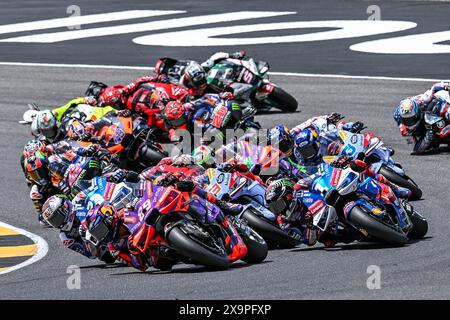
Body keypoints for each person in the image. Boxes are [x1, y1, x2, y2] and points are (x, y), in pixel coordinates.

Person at [41, 195, 115, 262]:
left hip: (109, 220)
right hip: (102, 243)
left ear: (65, 207)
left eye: (57, 217)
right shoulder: (66, 238)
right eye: (53, 221)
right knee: (105, 256)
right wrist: (86, 240)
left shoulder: (80, 202)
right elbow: (91, 254)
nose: (57, 222)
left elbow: (100, 198)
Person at [84, 203, 149, 271]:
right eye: (98, 234)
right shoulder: (114, 248)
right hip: (151, 253)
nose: (102, 235)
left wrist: (136, 203)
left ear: (107, 218)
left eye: (101, 229)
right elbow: (140, 266)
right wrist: (133, 251)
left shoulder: (124, 212)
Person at [30, 97, 123, 143]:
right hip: (100, 135)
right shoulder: (59, 136)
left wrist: (85, 99)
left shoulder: (59, 115)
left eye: (52, 127)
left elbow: (71, 104)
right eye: (49, 130)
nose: (53, 130)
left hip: (109, 117)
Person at [393, 82, 450, 154]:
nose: (410, 123)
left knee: (447, 113)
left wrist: (446, 86)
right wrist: (427, 138)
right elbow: (417, 148)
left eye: (411, 119)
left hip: (432, 110)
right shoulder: (404, 128)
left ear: (418, 113)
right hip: (426, 128)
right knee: (421, 148)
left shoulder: (423, 99)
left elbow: (434, 88)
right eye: (406, 120)